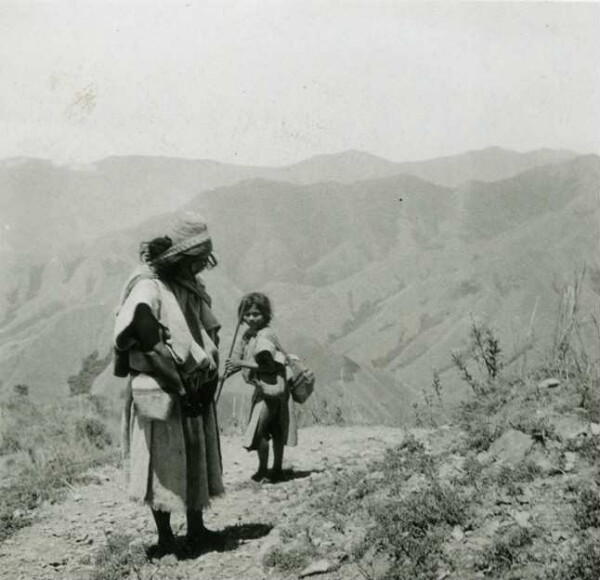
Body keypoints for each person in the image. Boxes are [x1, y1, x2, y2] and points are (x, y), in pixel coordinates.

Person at [113, 212, 224, 557]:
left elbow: (204, 328)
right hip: (162, 388)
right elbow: (149, 342)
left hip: (192, 386)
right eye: (197, 261)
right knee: (159, 461)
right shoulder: (148, 286)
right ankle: (165, 538)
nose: (202, 268)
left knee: (194, 454)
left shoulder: (184, 284)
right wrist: (179, 387)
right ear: (181, 258)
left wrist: (203, 382)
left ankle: (196, 528)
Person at [224, 293, 297, 482]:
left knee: (263, 429)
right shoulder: (248, 335)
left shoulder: (265, 335)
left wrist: (240, 362)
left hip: (274, 389)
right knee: (269, 428)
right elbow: (237, 360)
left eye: (256, 314)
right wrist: (228, 370)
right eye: (246, 314)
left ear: (265, 315)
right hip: (264, 388)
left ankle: (270, 470)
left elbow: (269, 366)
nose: (250, 318)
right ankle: (269, 469)